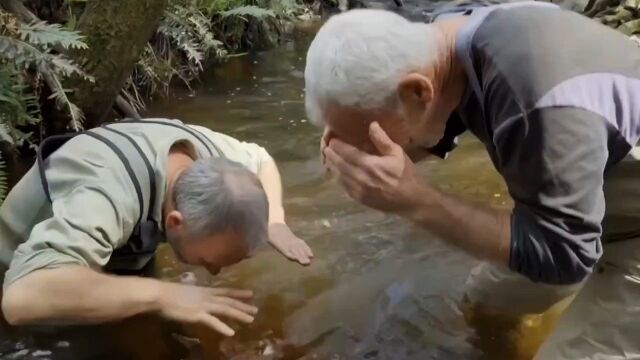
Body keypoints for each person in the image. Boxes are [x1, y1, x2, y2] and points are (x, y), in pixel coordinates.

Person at [304, 3, 640, 359]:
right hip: (582, 202)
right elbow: (437, 121)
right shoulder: (443, 40)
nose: (365, 152)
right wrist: (352, 130)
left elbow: (567, 254)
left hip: (603, 228)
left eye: (371, 138)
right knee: (484, 303)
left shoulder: (536, 103)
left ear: (418, 92)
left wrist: (417, 200)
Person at [0, 118, 313, 337]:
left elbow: (261, 159)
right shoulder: (108, 195)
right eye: (209, 261)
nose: (215, 273)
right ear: (175, 222)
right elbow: (21, 298)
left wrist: (275, 221)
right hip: (28, 272)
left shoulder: (213, 161)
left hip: (113, 247)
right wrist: (163, 295)